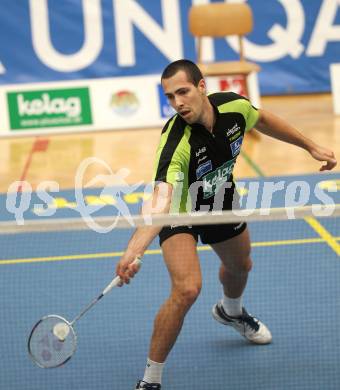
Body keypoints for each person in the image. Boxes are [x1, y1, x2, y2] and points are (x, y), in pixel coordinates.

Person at [115, 59, 337, 390]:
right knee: (187, 289)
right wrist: (134, 251)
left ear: (202, 87)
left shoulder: (233, 107)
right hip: (179, 211)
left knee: (240, 265)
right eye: (170, 97)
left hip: (220, 200)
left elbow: (262, 120)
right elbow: (160, 200)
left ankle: (230, 311)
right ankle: (150, 379)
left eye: (183, 92)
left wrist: (311, 146)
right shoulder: (177, 144)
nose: (177, 103)